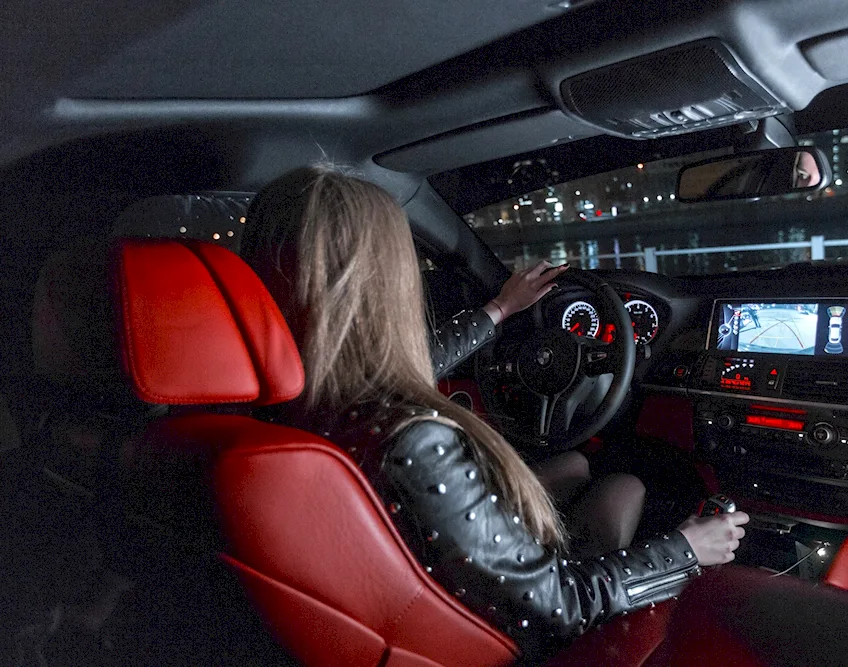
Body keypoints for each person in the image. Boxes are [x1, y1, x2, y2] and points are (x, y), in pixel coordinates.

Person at [240, 164, 749, 661]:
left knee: (575, 464)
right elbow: (558, 606)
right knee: (625, 487)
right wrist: (687, 550)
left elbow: (406, 363)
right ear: (383, 284)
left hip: (413, 585)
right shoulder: (410, 440)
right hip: (516, 629)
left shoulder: (272, 406)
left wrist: (500, 310)